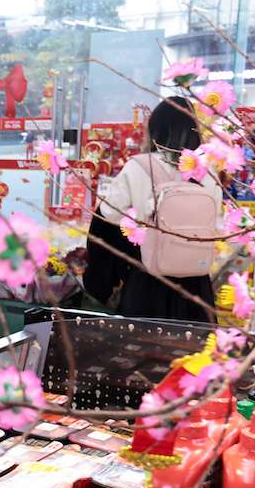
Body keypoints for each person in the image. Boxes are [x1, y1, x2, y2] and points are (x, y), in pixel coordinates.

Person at [87, 97, 222, 321]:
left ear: (154, 129)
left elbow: (107, 217)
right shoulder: (208, 174)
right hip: (197, 289)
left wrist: (102, 280)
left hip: (148, 285)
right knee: (194, 354)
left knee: (145, 353)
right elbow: (215, 224)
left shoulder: (139, 166)